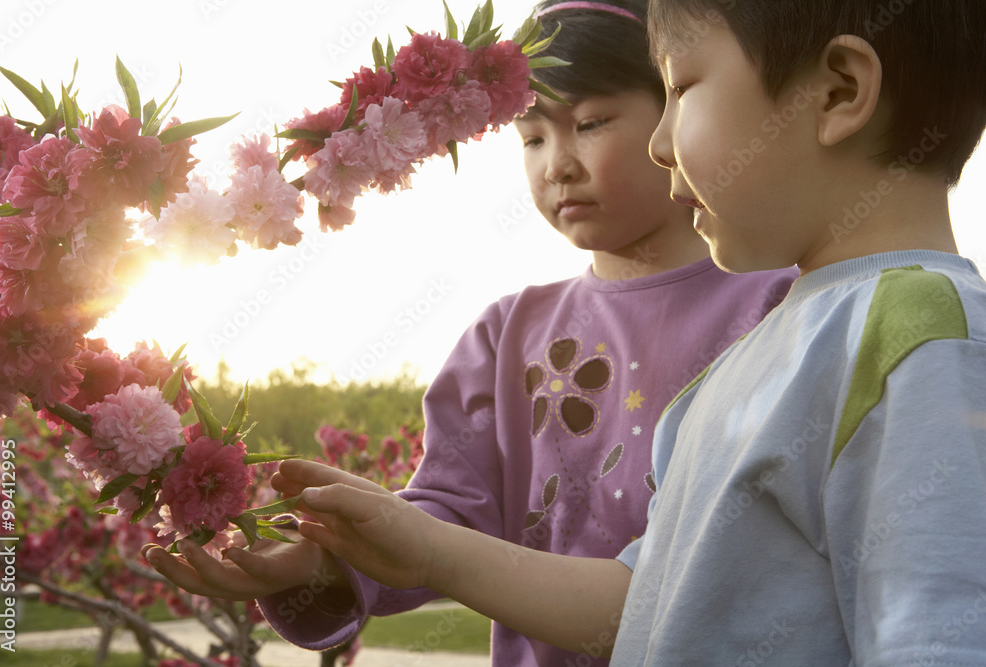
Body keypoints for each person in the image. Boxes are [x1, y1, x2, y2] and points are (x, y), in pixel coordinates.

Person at [219, 0, 986, 664]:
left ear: (839, 91)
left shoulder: (914, 334)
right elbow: (645, 602)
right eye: (533, 137)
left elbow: (937, 638)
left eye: (681, 88)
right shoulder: (768, 350)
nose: (661, 143)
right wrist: (405, 543)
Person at [142, 1, 799, 664]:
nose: (558, 164)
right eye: (533, 138)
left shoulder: (781, 303)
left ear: (678, 110)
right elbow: (446, 522)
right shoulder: (506, 334)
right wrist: (320, 557)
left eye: (592, 123)